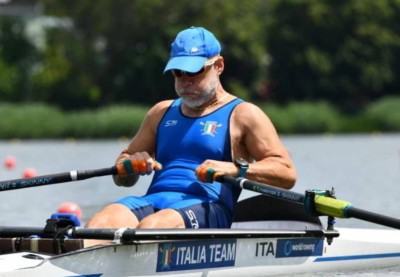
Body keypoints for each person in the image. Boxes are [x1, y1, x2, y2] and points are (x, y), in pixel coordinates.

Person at [85, 26, 296, 245]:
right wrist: (130, 165)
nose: (186, 81)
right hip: (153, 201)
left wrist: (236, 169)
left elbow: (286, 173)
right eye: (179, 72)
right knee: (100, 224)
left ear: (219, 66)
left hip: (209, 206)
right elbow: (121, 176)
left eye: (195, 72)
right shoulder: (161, 112)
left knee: (151, 228)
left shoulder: (243, 114)